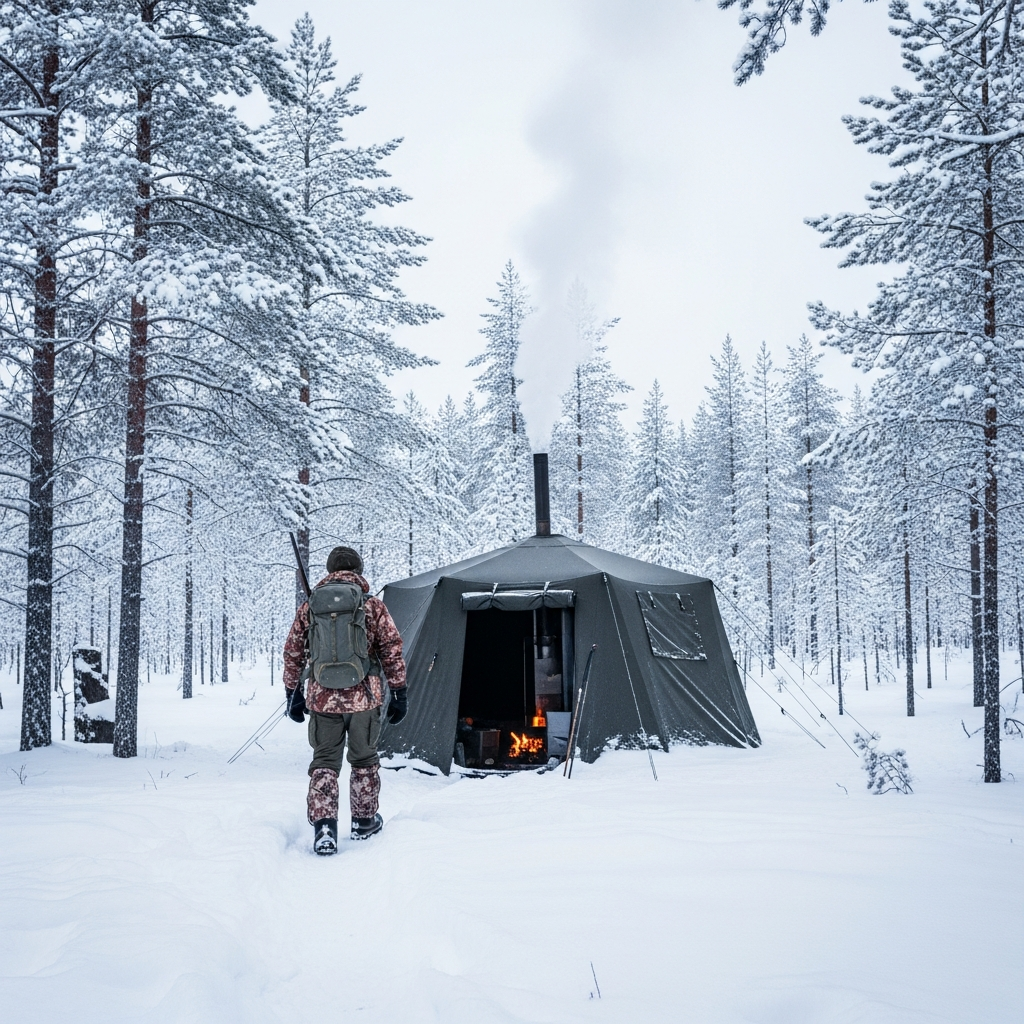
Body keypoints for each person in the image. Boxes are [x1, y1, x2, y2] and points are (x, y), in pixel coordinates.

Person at [283, 545, 407, 855]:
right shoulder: (372, 606)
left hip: (322, 699)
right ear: (359, 571)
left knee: (325, 761)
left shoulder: (311, 606)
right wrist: (400, 691)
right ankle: (364, 822)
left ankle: (325, 827)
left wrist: (292, 693)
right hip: (364, 699)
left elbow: (293, 651)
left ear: (329, 571)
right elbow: (391, 650)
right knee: (363, 759)